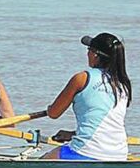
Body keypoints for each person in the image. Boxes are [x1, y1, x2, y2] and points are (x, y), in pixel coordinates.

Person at [43, 33, 132, 161]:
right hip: (119, 154)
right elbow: (106, 125)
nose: (87, 54)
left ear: (95, 54)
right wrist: (72, 134)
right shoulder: (123, 84)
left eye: (89, 50)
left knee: (45, 158)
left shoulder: (81, 78)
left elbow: (54, 113)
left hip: (88, 151)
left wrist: (49, 108)